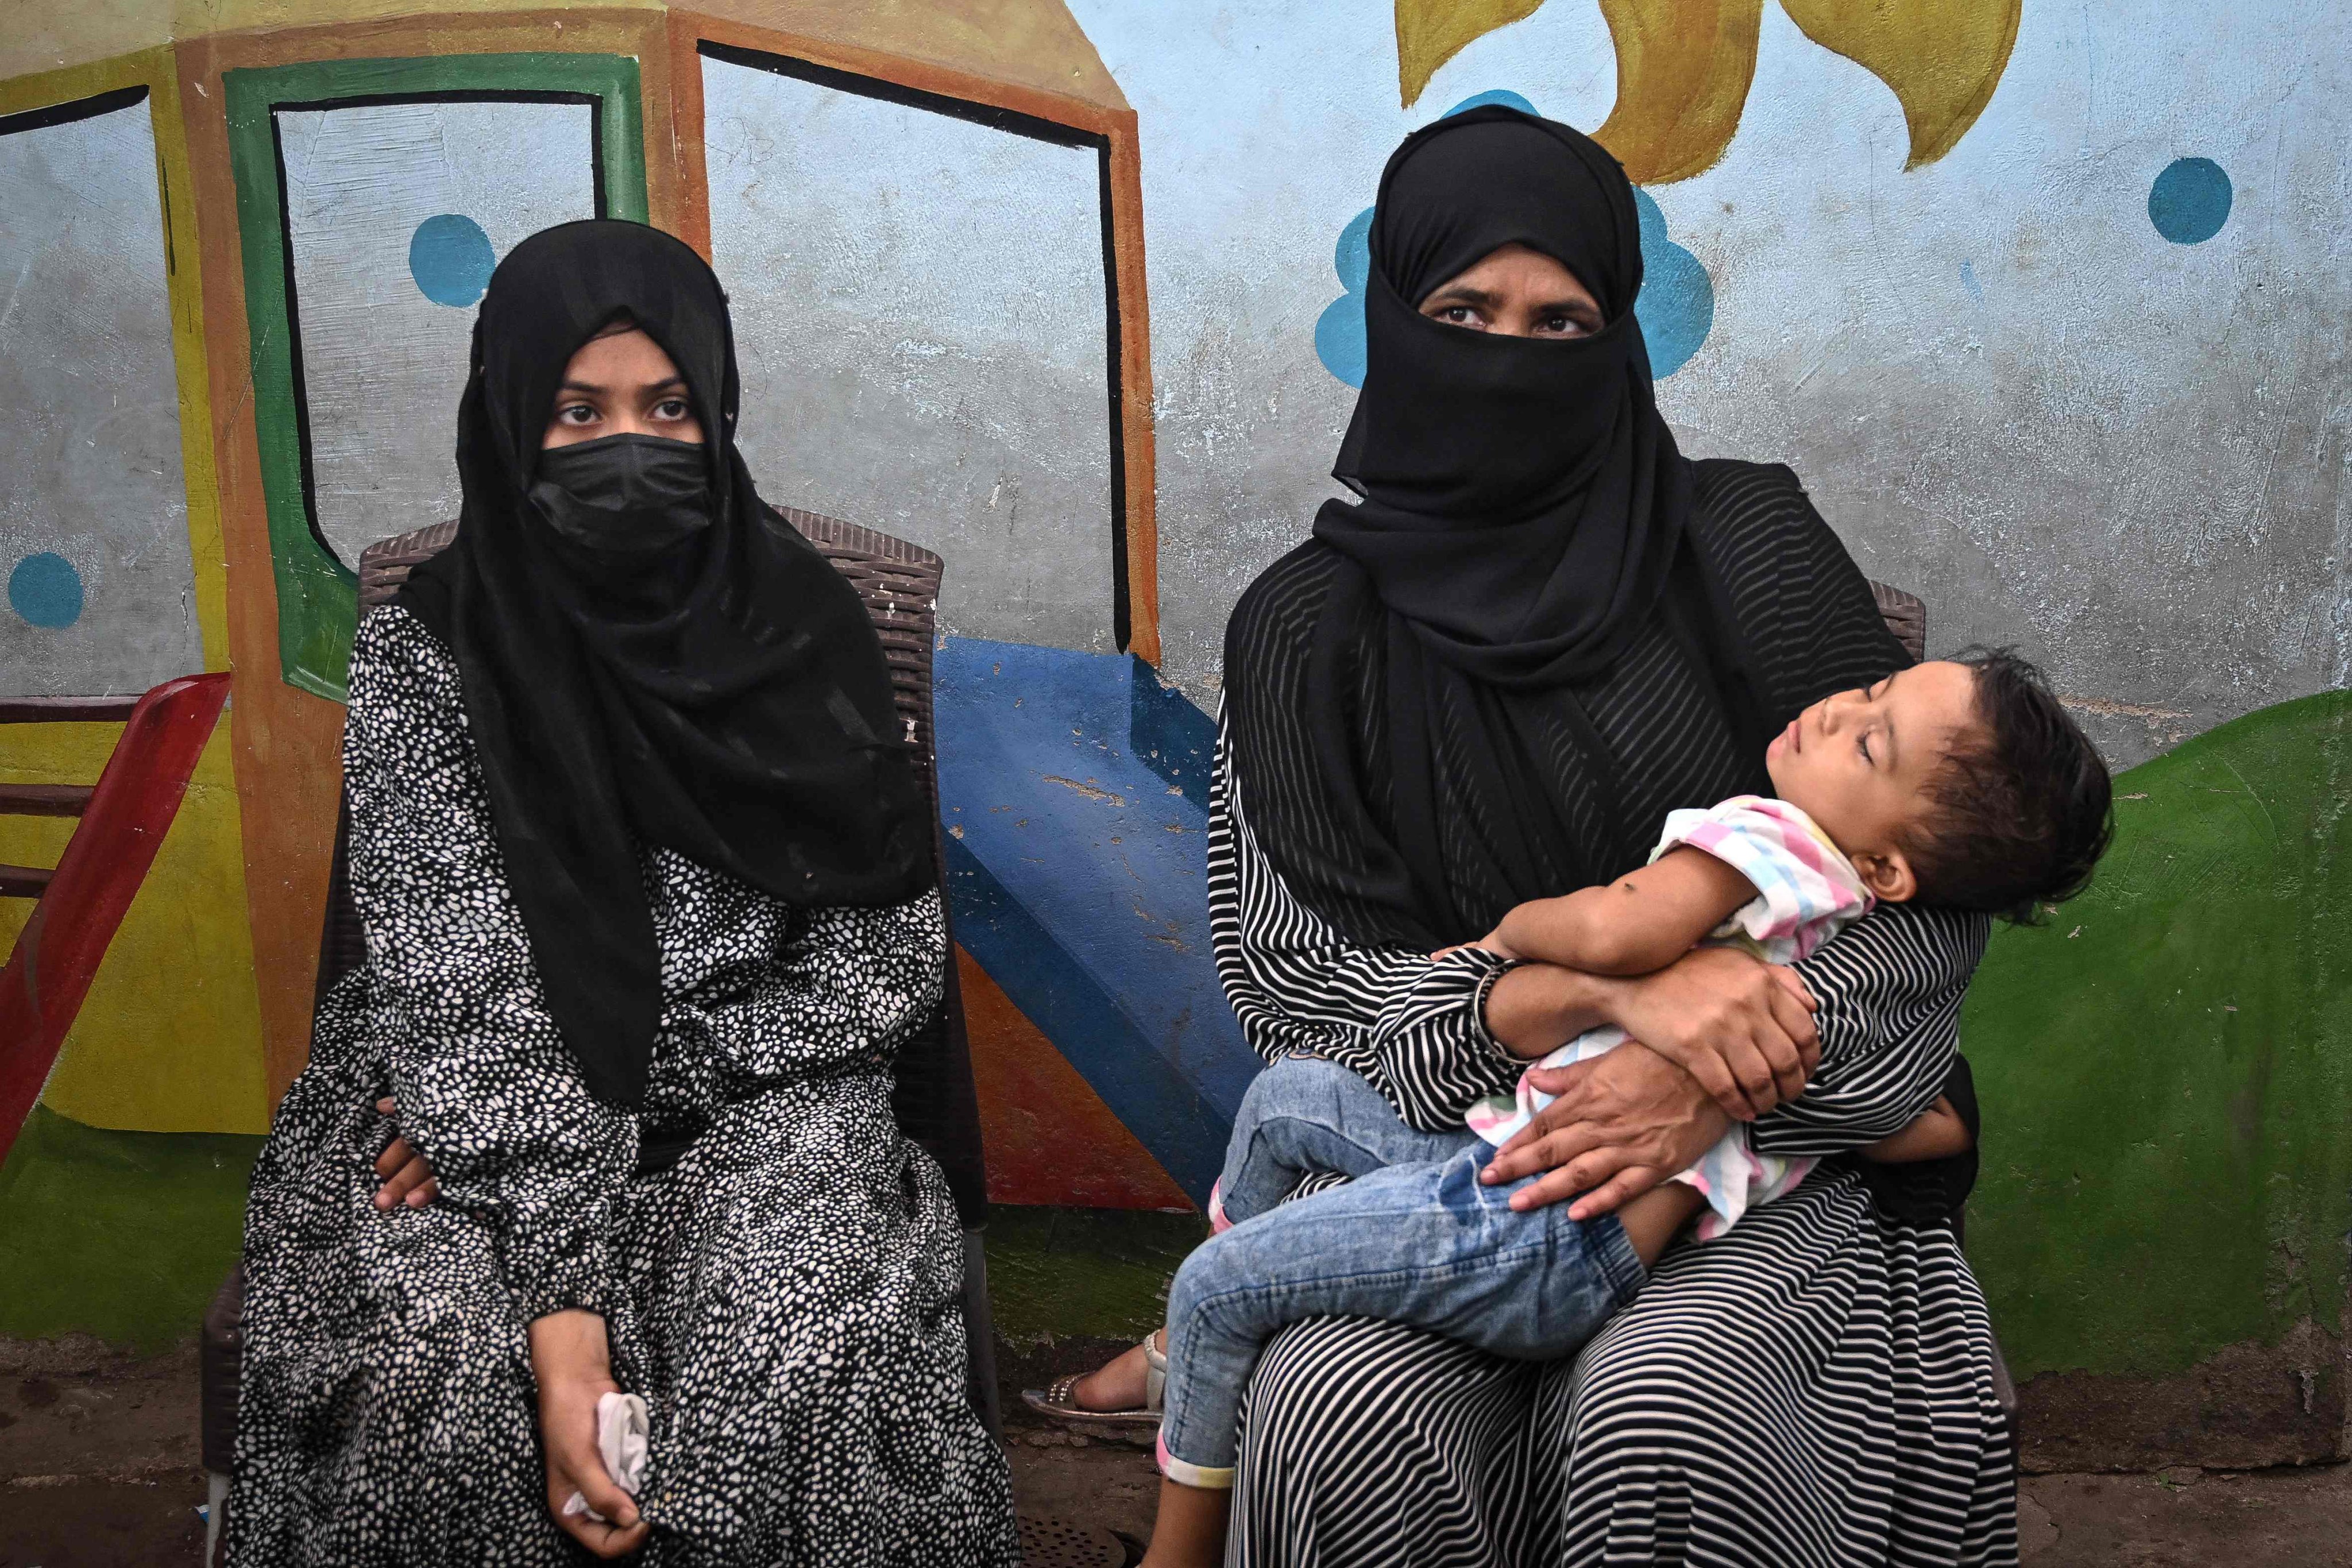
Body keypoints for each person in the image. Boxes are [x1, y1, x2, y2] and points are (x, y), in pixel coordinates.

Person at [1048, 105, 2037, 1566]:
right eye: (1462, 312)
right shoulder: (1302, 633)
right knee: (1331, 1402)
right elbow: (1294, 983)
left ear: (1621, 339)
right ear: (1395, 319)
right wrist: (1605, 993)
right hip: (1463, 1152)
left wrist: (1705, 1076)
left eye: (1559, 321)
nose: (1506, 354)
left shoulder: (1743, 543)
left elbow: (1927, 893)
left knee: (1668, 1403)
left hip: (1781, 1162)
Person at [226, 221, 1018, 1567]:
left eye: (666, 409)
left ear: (718, 415)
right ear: (505, 419)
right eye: (575, 413)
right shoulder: (428, 653)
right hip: (473, 1100)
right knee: (439, 1367)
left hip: (762, 1090)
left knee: (788, 1342)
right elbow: (458, 973)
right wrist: (563, 1319)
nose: (626, 449)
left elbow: (881, 964)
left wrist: (655, 1064)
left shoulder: (803, 628)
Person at [1037, 649, 2108, 1563]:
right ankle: (1188, 1371)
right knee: (1285, 1103)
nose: (1839, 708)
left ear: (1888, 866)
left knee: (1222, 1283)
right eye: (1867, 691)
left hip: (1543, 1223)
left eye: (1872, 738)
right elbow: (1304, 991)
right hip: (1514, 1140)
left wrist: (1513, 943)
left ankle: (1180, 1543)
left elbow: (1624, 936)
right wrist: (1638, 1024)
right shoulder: (1851, 896)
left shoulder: (1774, 837)